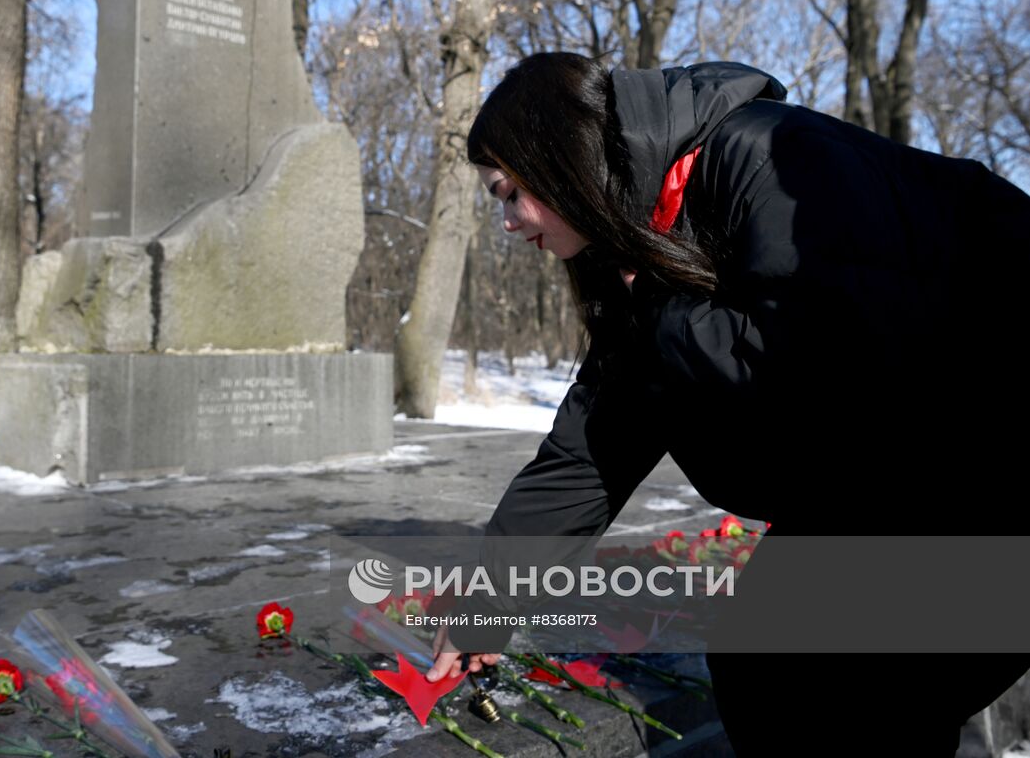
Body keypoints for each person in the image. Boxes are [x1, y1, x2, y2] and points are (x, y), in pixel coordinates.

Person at [424, 52, 1030, 755]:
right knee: (764, 670)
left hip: (987, 459)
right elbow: (600, 434)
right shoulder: (636, 245)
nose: (506, 222)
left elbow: (819, 369)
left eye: (509, 193)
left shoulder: (780, 160)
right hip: (900, 468)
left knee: (846, 691)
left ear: (559, 161)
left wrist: (656, 307)